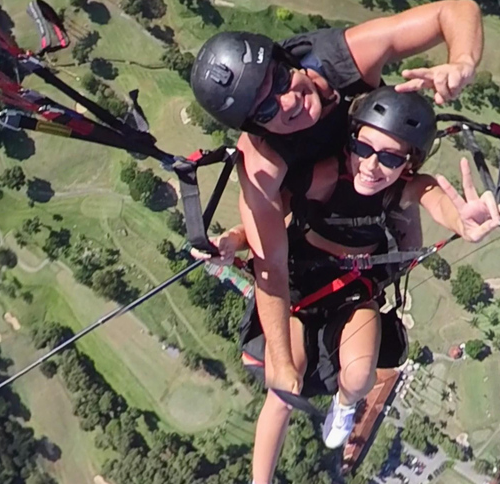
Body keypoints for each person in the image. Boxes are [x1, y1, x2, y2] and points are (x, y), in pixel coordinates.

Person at [193, 87, 500, 484]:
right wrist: (231, 241)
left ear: (409, 163)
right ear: (349, 142)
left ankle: (344, 407)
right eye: (362, 147)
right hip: (298, 287)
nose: (371, 164)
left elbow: (435, 199)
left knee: (363, 374)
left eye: (389, 157)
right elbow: (267, 211)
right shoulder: (327, 176)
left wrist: (462, 219)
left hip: (351, 289)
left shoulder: (404, 187)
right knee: (284, 383)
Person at [190, 0, 484, 399]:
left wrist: (462, 61)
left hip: (379, 180)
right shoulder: (261, 162)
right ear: (253, 127)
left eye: (278, 80)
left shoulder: (337, 60)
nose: (287, 101)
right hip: (320, 209)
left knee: (403, 243)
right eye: (265, 109)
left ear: (282, 58)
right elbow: (271, 265)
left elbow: (454, 9)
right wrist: (280, 361)